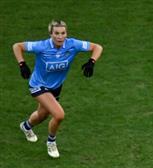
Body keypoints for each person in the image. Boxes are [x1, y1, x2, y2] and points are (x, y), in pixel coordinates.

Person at [13, 19, 103, 158]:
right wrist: (22, 64)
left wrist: (92, 62)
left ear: (66, 34)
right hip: (38, 85)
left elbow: (97, 47)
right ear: (51, 34)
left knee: (42, 115)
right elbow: (17, 46)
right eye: (56, 33)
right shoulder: (41, 46)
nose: (60, 36)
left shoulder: (72, 44)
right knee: (59, 115)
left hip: (56, 87)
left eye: (63, 33)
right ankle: (51, 142)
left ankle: (26, 126)